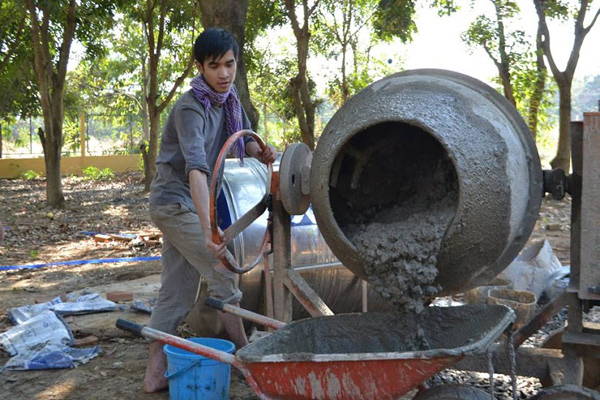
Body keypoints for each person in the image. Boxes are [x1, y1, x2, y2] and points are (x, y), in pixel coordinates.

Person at [144, 27, 276, 393]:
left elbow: (244, 142)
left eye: (229, 64)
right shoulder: (191, 107)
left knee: (176, 292)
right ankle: (245, 358)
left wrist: (261, 152)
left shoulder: (230, 102)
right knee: (223, 272)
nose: (223, 73)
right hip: (174, 203)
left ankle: (154, 375)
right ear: (199, 67)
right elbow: (197, 170)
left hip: (188, 205)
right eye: (214, 66)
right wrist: (207, 230)